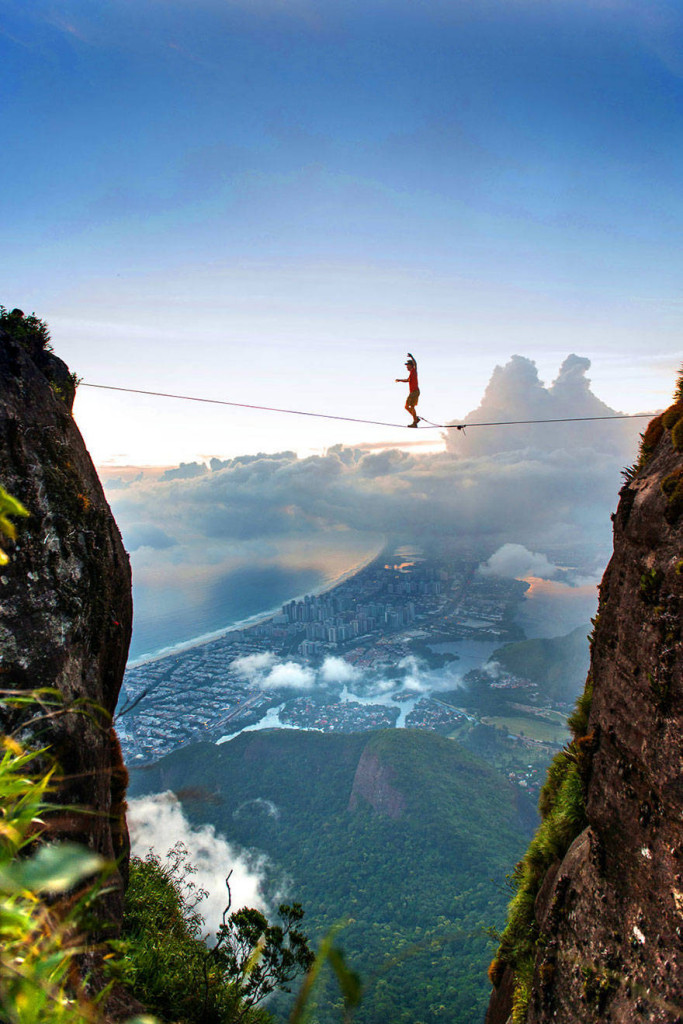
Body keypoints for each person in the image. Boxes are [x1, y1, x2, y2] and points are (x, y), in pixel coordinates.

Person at [395, 352, 420, 427]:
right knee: (406, 407)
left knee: (411, 406)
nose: (407, 367)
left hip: (414, 392)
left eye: (407, 366)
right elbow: (408, 380)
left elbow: (415, 364)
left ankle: (415, 422)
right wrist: (400, 380)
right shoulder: (411, 373)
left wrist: (411, 357)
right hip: (412, 392)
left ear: (411, 366)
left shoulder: (414, 371)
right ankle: (416, 419)